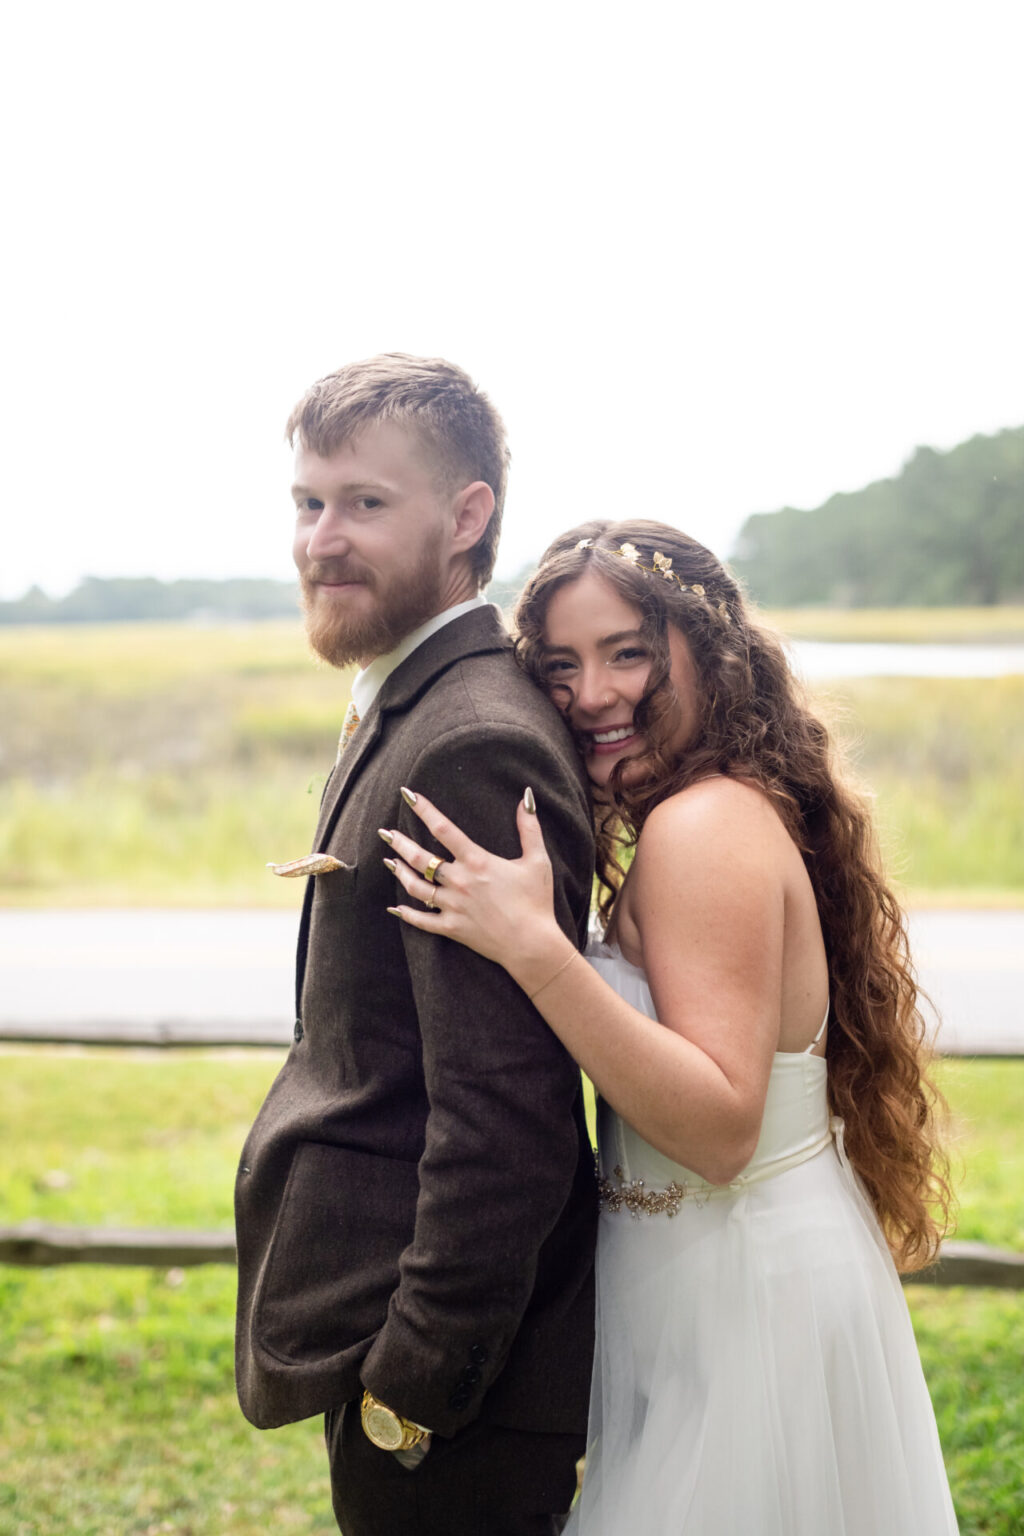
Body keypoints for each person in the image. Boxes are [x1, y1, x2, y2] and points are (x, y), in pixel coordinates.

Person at [382, 518, 960, 1535]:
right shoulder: (699, 813)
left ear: (710, 655)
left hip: (745, 1297)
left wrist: (536, 951)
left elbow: (720, 1127)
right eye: (558, 664)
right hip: (702, 1282)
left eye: (628, 652)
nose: (591, 693)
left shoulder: (702, 826)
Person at [233, 355, 598, 1536]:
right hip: (402, 1342)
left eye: (365, 504)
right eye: (307, 502)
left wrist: (414, 1382)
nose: (321, 539)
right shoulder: (409, 700)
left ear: (467, 517)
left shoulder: (467, 744)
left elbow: (506, 1114)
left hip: (457, 1390)